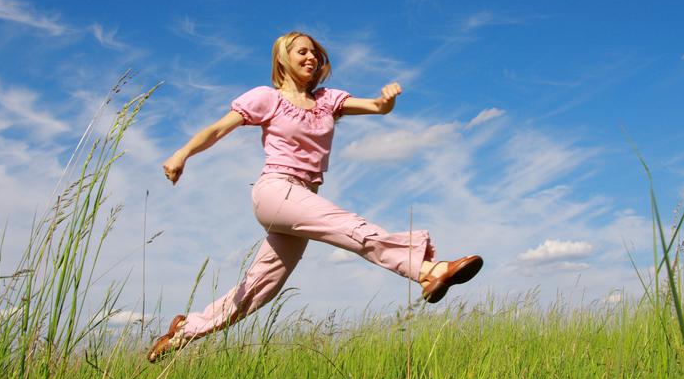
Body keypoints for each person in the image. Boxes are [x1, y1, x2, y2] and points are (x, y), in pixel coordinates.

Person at [147, 32, 483, 362]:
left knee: (260, 288)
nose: (312, 58)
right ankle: (427, 269)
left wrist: (387, 100)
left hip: (304, 200)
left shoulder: (327, 100)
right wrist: (182, 154)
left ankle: (184, 331)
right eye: (302, 52)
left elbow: (378, 107)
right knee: (350, 227)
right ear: (282, 58)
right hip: (276, 192)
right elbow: (219, 128)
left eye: (316, 55)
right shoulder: (267, 97)